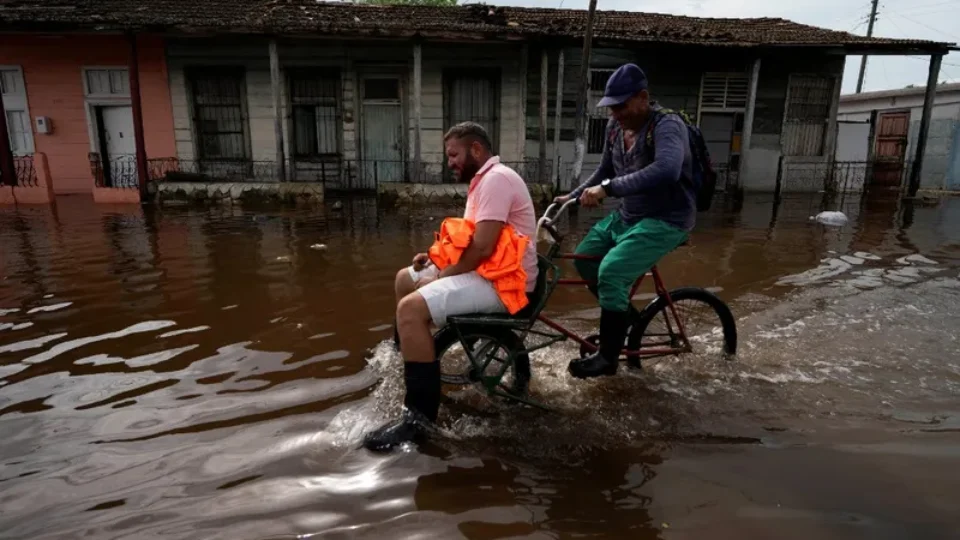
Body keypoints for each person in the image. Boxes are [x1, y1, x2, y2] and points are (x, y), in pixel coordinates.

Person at [364, 121, 539, 452]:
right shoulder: (483, 180)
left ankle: (419, 420)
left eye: (453, 155)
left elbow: (484, 248)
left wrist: (445, 274)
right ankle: (409, 352)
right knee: (405, 278)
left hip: (504, 283)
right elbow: (469, 242)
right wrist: (436, 259)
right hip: (489, 271)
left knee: (411, 310)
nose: (450, 162)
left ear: (476, 149)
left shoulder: (496, 181)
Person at [556, 63, 695, 379]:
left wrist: (608, 190)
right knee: (586, 258)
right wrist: (573, 196)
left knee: (612, 271)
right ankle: (629, 322)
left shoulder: (667, 126)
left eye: (621, 106)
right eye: (611, 107)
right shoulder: (615, 128)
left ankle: (607, 356)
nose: (614, 113)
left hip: (665, 219)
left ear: (643, 98)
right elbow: (605, 170)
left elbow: (667, 170)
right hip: (629, 215)